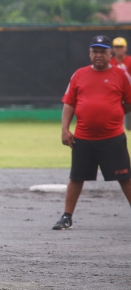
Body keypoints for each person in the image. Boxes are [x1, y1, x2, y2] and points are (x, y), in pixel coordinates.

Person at [55, 35, 131, 230]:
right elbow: (69, 103)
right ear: (89, 53)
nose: (98, 55)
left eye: (103, 51)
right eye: (95, 51)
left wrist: (113, 112)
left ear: (110, 54)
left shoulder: (121, 75)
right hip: (83, 137)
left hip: (112, 137)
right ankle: (66, 216)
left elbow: (129, 101)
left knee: (124, 177)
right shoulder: (79, 75)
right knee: (76, 177)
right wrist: (65, 129)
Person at [112, 37, 131, 130]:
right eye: (116, 47)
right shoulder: (110, 62)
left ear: (125, 48)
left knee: (129, 126)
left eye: (121, 47)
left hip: (129, 94)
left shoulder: (130, 61)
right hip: (115, 94)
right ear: (113, 49)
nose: (119, 49)